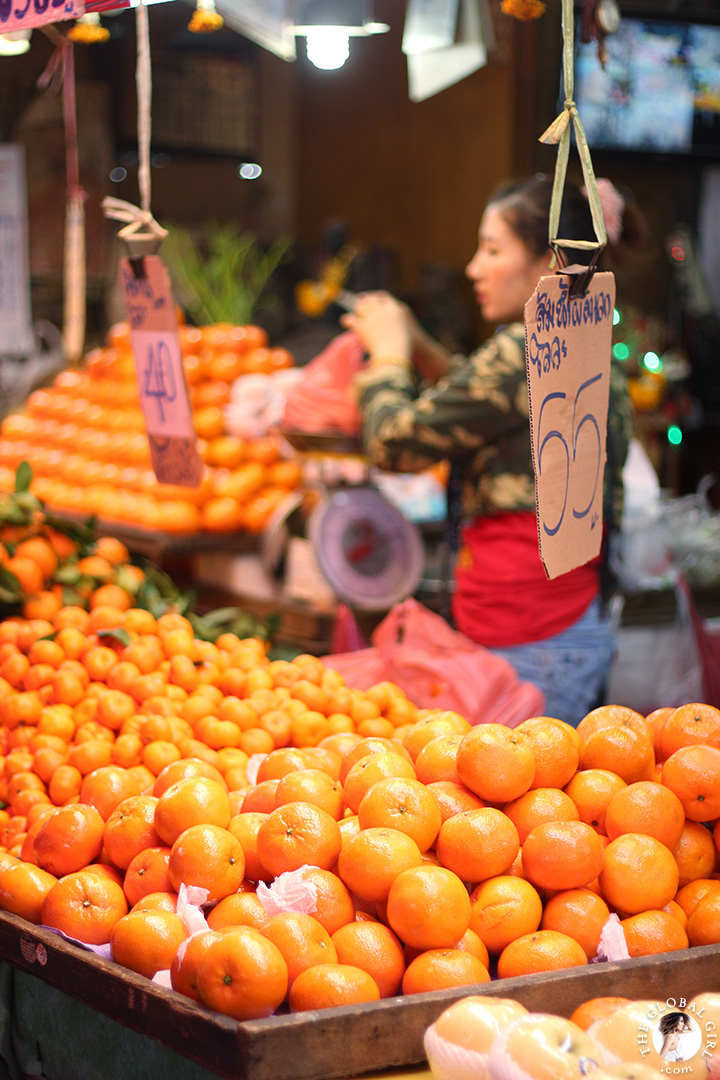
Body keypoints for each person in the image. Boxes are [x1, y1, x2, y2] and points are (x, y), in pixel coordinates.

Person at [342, 175, 637, 726]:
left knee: (513, 801)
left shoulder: (529, 345)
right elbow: (479, 404)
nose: (474, 267)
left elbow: (395, 442)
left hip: (532, 641)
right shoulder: (576, 338)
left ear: (547, 262)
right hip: (556, 630)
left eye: (493, 249)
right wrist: (420, 345)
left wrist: (387, 358)